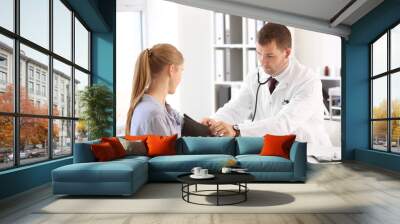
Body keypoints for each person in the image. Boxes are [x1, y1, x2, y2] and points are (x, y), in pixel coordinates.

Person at [202, 23, 331, 146]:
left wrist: (237, 130)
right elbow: (235, 109)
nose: (263, 62)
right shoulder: (255, 77)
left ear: (286, 53)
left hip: (310, 154)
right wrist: (214, 122)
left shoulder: (308, 81)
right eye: (259, 54)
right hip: (272, 153)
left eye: (270, 56)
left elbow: (283, 123)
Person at [125, 43, 184, 136]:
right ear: (171, 69)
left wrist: (204, 126)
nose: (181, 78)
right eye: (182, 70)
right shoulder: (155, 115)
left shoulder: (160, 108)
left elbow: (180, 121)